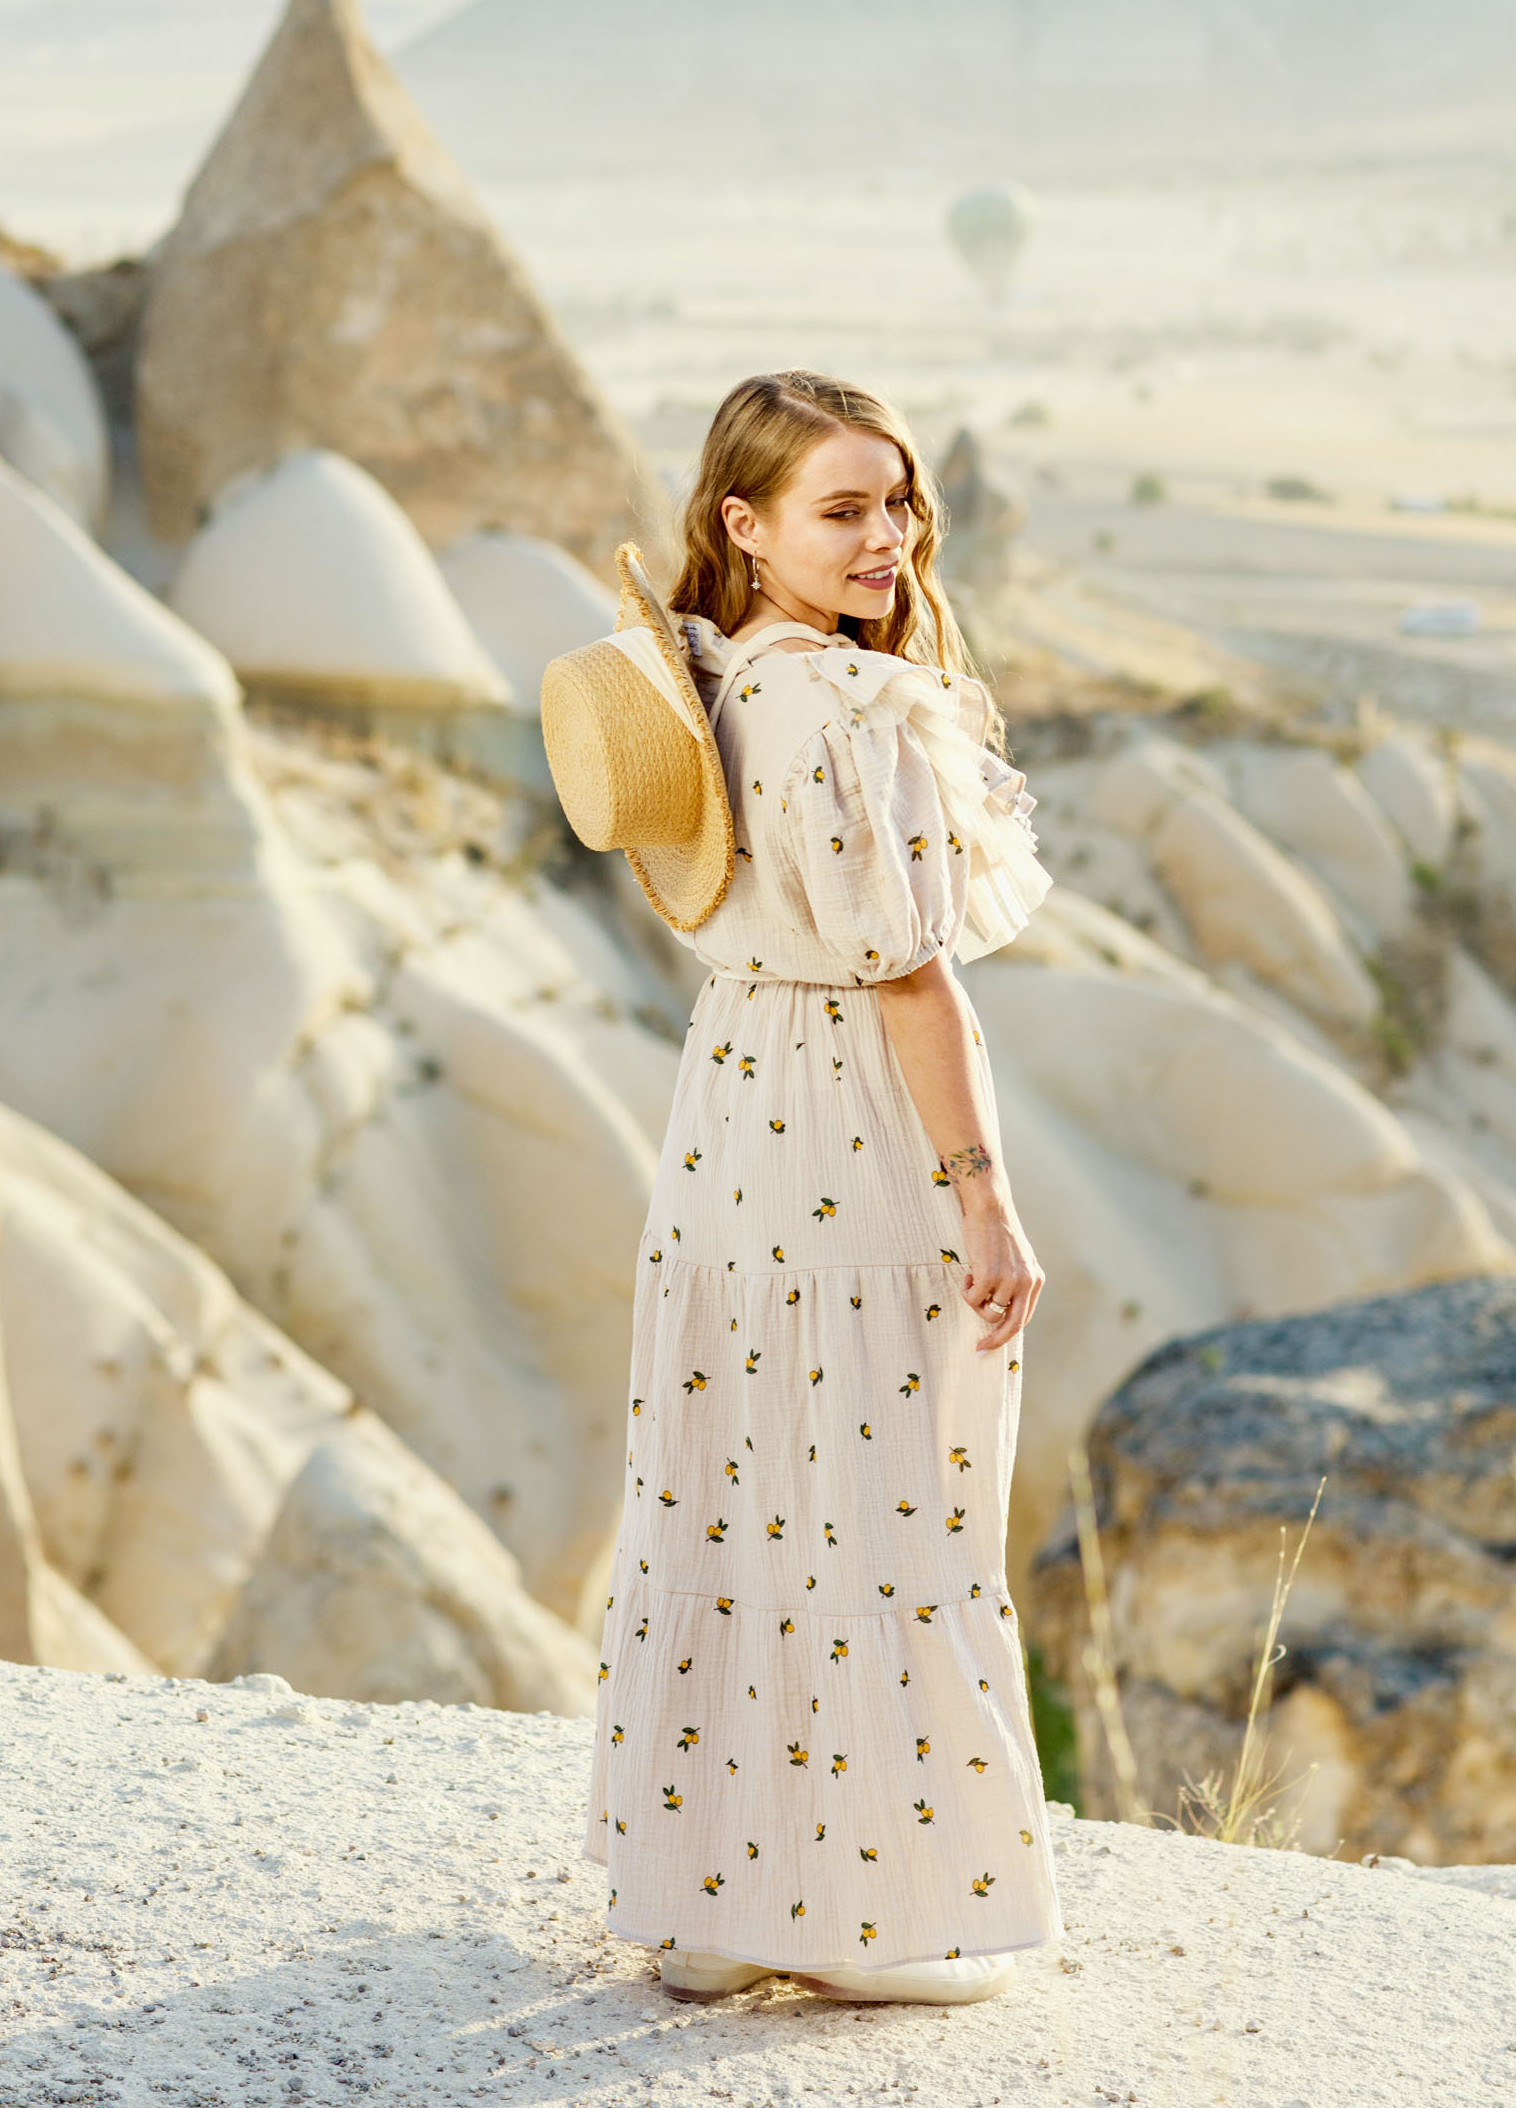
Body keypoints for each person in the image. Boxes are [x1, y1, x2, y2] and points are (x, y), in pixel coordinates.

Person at [553, 370, 1063, 2008]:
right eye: (842, 509)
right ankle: (879, 1921)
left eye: (897, 501)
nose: (888, 538)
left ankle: (714, 1910)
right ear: (742, 524)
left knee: (738, 1475)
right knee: (892, 1486)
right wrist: (982, 1195)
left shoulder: (708, 685)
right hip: (853, 1120)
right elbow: (914, 981)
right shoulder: (862, 708)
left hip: (732, 1110)